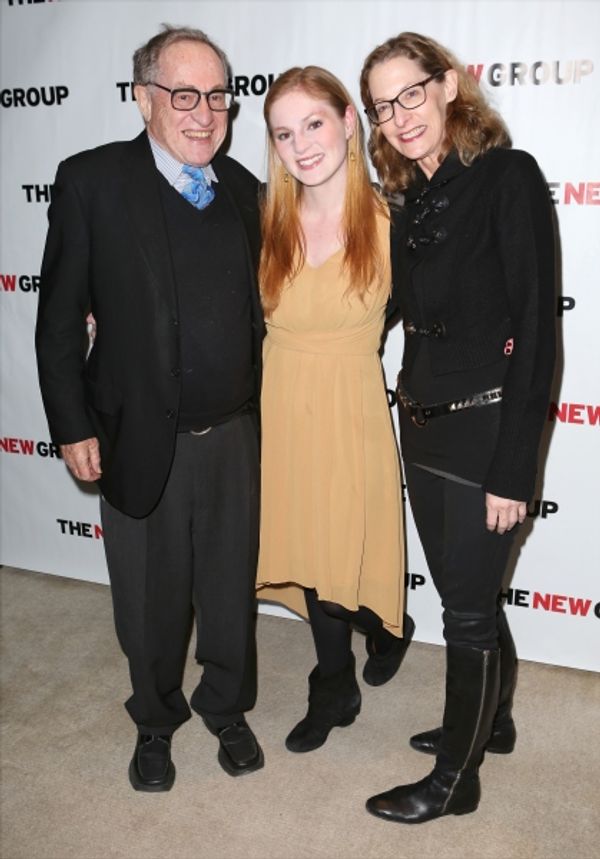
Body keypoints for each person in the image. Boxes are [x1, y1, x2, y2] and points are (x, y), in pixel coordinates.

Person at [35, 25, 265, 792]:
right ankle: (156, 722)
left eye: (218, 98)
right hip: (136, 433)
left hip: (234, 434)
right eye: (183, 95)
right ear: (143, 100)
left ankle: (227, 707)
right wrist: (71, 422)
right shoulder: (91, 182)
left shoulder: (244, 190)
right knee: (149, 601)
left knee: (229, 592)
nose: (204, 114)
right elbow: (59, 319)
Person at [359, 32, 556, 823]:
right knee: (468, 596)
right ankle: (493, 720)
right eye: (382, 105)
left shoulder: (508, 177)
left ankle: (454, 780)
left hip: (485, 431)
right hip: (424, 426)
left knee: (467, 614)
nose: (399, 116)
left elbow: (538, 330)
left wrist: (516, 469)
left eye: (410, 93)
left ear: (448, 87)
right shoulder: (409, 198)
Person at [256, 66, 414, 754]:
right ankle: (335, 683)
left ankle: (383, 626)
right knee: (315, 554)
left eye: (313, 123)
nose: (301, 144)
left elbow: (430, 312)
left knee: (349, 541)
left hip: (351, 405)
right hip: (283, 405)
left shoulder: (391, 219)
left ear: (349, 121)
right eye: (284, 133)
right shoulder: (264, 217)